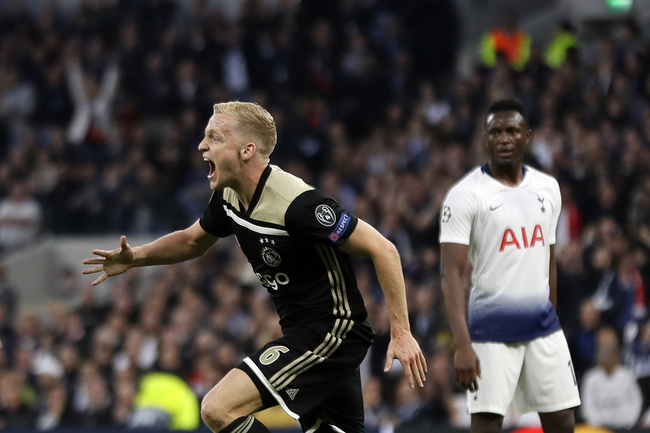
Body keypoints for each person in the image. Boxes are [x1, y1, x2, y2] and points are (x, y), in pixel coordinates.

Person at [82, 101, 427, 433]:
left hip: (332, 332)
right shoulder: (229, 197)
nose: (202, 145)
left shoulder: (297, 204)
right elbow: (191, 241)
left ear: (246, 150)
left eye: (214, 138)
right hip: (304, 333)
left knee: (218, 408)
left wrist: (401, 333)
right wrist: (136, 257)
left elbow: (384, 249)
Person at [439, 99, 581, 433]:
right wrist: (462, 345)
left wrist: (553, 321)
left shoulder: (549, 189)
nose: (504, 138)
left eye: (512, 130)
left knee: (562, 420)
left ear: (527, 136)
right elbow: (452, 275)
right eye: (496, 131)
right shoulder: (464, 195)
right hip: (490, 333)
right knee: (488, 423)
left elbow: (549, 262)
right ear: (485, 138)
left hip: (543, 330)